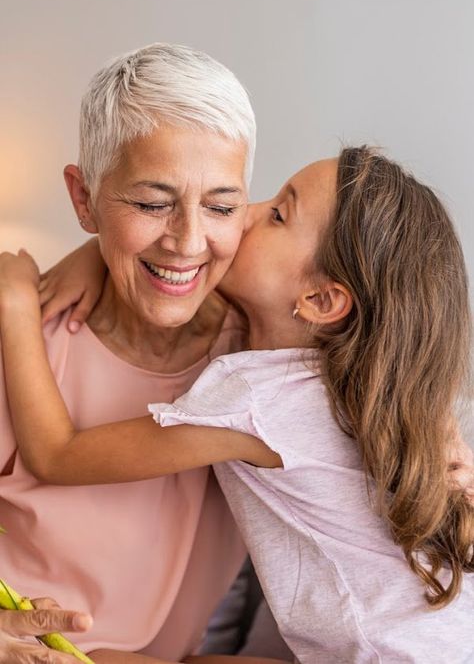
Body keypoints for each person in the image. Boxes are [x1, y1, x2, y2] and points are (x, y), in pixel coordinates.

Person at [1, 146, 473, 664]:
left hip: (385, 655)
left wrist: (17, 308)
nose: (245, 214)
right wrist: (94, 254)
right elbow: (175, 262)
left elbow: (57, 454)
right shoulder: (359, 378)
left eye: (276, 215)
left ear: (319, 301)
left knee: (95, 659)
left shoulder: (258, 399)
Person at [0, 42, 290, 663]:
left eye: (220, 206)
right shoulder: (24, 345)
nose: (188, 241)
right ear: (84, 200)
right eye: (151, 203)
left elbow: (391, 369)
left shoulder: (264, 356)